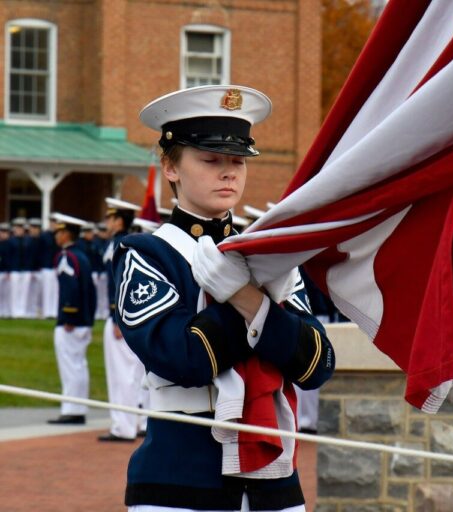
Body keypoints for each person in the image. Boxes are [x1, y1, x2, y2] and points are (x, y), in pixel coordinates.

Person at [113, 85, 335, 511]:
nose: (229, 172)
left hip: (275, 484)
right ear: (170, 167)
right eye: (210, 160)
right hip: (182, 482)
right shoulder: (147, 253)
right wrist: (256, 306)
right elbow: (185, 357)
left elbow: (316, 364)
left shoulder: (268, 256)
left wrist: (246, 296)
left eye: (238, 160)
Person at [99, 197, 146, 442]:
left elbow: (121, 283)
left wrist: (117, 317)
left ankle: (123, 427)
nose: (107, 222)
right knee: (131, 373)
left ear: (118, 221)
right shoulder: (124, 243)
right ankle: (134, 422)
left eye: (110, 218)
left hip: (120, 317)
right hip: (127, 316)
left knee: (122, 374)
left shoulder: (121, 244)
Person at [47, 213, 97, 424]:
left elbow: (70, 287)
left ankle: (72, 409)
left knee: (70, 366)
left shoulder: (67, 256)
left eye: (59, 232)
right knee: (78, 365)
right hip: (83, 319)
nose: (56, 236)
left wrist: (69, 314)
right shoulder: (81, 256)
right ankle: (77, 407)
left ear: (67, 234)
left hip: (71, 321)